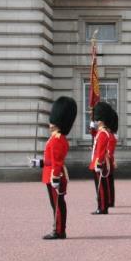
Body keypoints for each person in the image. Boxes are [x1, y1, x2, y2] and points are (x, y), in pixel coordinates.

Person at [32, 97, 77, 239]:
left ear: (57, 122)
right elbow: (51, 160)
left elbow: (57, 162)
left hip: (54, 176)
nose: (49, 124)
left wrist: (56, 177)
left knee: (57, 204)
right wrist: (39, 163)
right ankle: (58, 228)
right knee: (56, 204)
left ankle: (59, 231)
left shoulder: (57, 139)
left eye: (52, 121)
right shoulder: (55, 137)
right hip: (52, 174)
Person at [90, 101, 115, 215]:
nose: (96, 121)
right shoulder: (100, 133)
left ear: (101, 121)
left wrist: (99, 163)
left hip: (99, 163)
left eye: (97, 119)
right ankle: (102, 206)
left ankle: (102, 207)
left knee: (101, 187)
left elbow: (101, 151)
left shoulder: (103, 133)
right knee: (101, 186)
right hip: (98, 162)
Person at [107, 108, 119, 208]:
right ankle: (109, 200)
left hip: (107, 161)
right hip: (109, 161)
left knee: (108, 182)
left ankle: (110, 201)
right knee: (109, 182)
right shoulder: (110, 135)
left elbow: (109, 152)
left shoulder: (110, 136)